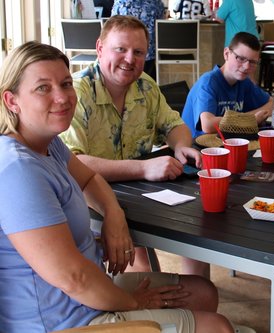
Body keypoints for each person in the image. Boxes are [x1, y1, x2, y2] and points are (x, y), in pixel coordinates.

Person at [0, 40, 234, 333]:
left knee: (203, 292)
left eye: (65, 83)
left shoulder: (48, 143)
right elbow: (74, 278)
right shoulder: (17, 170)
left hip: (88, 293)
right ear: (12, 101)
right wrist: (134, 302)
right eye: (43, 88)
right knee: (218, 327)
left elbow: (89, 178)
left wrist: (113, 214)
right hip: (65, 321)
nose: (62, 97)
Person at [59, 16, 202, 273]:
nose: (130, 59)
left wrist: (180, 145)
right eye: (120, 49)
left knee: (199, 230)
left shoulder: (146, 86)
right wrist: (144, 169)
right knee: (141, 267)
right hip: (88, 198)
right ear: (100, 48)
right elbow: (73, 163)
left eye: (138, 52)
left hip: (139, 193)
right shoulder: (77, 93)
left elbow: (174, 125)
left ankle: (190, 308)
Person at [182, 32, 273, 139]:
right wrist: (250, 119)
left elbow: (272, 104)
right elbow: (207, 124)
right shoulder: (208, 83)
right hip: (199, 146)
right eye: (241, 58)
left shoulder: (244, 81)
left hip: (228, 141)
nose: (246, 66)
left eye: (253, 62)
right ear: (226, 54)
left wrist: (247, 119)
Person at [111, 0, 165, 81]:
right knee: (148, 84)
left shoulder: (120, 2)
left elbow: (112, 27)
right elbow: (161, 27)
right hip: (147, 53)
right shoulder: (156, 3)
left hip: (123, 53)